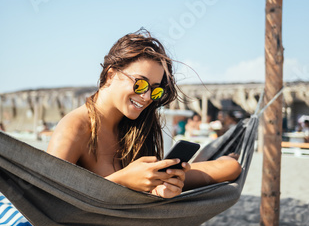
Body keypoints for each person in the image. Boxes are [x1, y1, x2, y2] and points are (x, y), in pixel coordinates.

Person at [47, 30, 241, 198]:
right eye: (140, 83)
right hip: (91, 225)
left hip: (131, 214)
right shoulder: (75, 127)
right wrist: (122, 181)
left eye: (155, 90)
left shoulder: (137, 124)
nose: (147, 96)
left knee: (231, 168)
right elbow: (47, 197)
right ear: (111, 74)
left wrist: (159, 190)